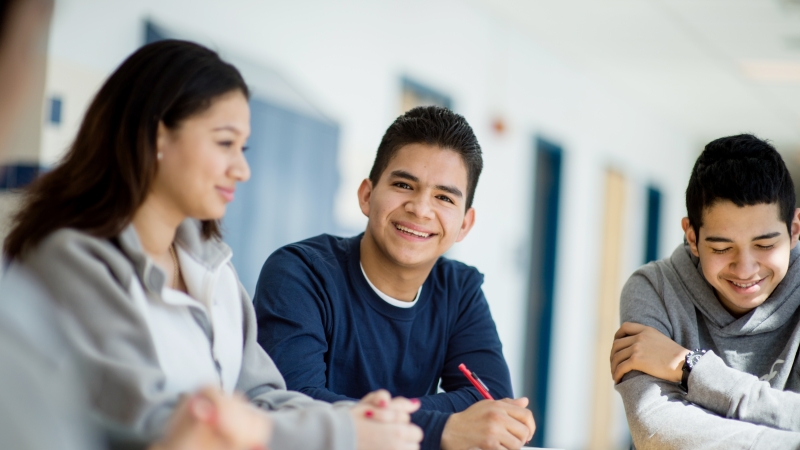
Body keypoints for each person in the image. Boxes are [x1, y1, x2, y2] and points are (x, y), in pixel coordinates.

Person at [2, 39, 422, 450]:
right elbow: (156, 424)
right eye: (225, 143)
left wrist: (350, 417)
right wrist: (343, 436)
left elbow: (261, 396)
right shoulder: (72, 260)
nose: (241, 169)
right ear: (157, 136)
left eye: (243, 148)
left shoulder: (211, 265)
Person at [254, 106, 536, 450]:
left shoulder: (459, 290)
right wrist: (442, 428)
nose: (420, 208)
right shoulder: (300, 273)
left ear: (464, 223)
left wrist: (370, 417)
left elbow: (490, 404)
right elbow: (292, 409)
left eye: (444, 197)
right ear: (367, 195)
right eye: (404, 185)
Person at [609, 134, 800, 449]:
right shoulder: (653, 290)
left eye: (765, 245)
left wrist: (690, 367)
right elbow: (657, 432)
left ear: (794, 230)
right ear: (692, 237)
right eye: (722, 248)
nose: (745, 269)